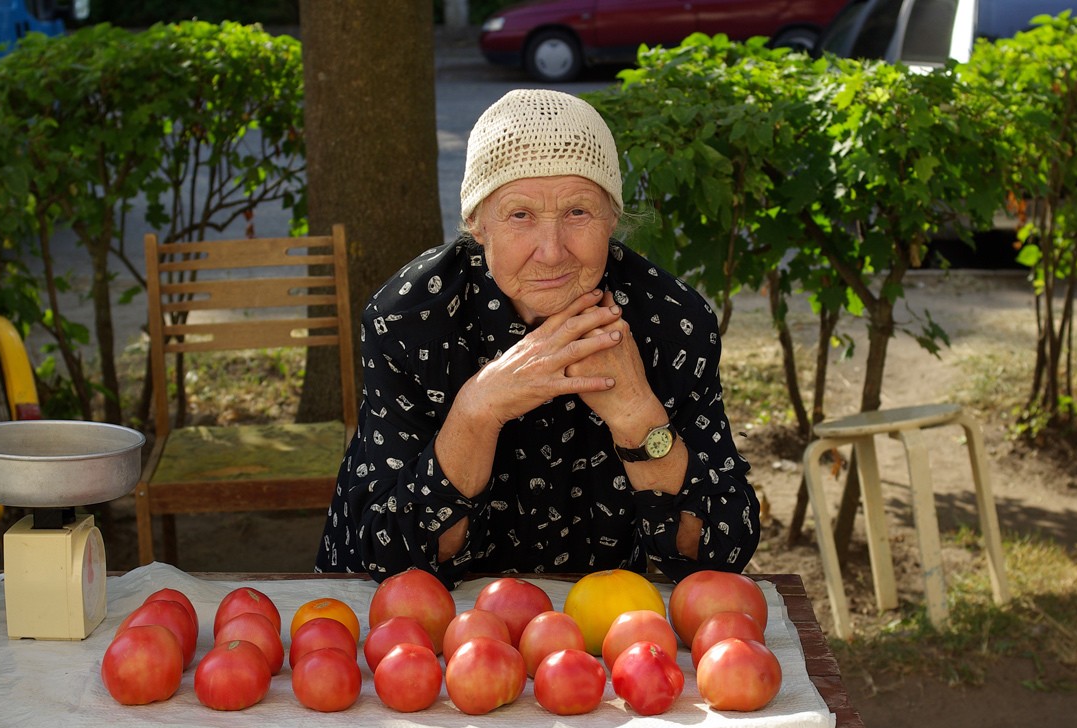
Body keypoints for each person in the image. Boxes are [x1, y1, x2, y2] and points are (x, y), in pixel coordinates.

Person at [315, 89, 759, 586]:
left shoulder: (671, 321)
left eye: (577, 213)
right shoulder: (410, 319)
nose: (551, 252)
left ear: (612, 217)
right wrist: (476, 412)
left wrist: (638, 415)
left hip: (594, 624)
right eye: (520, 215)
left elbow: (721, 552)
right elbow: (382, 550)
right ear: (477, 224)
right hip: (429, 624)